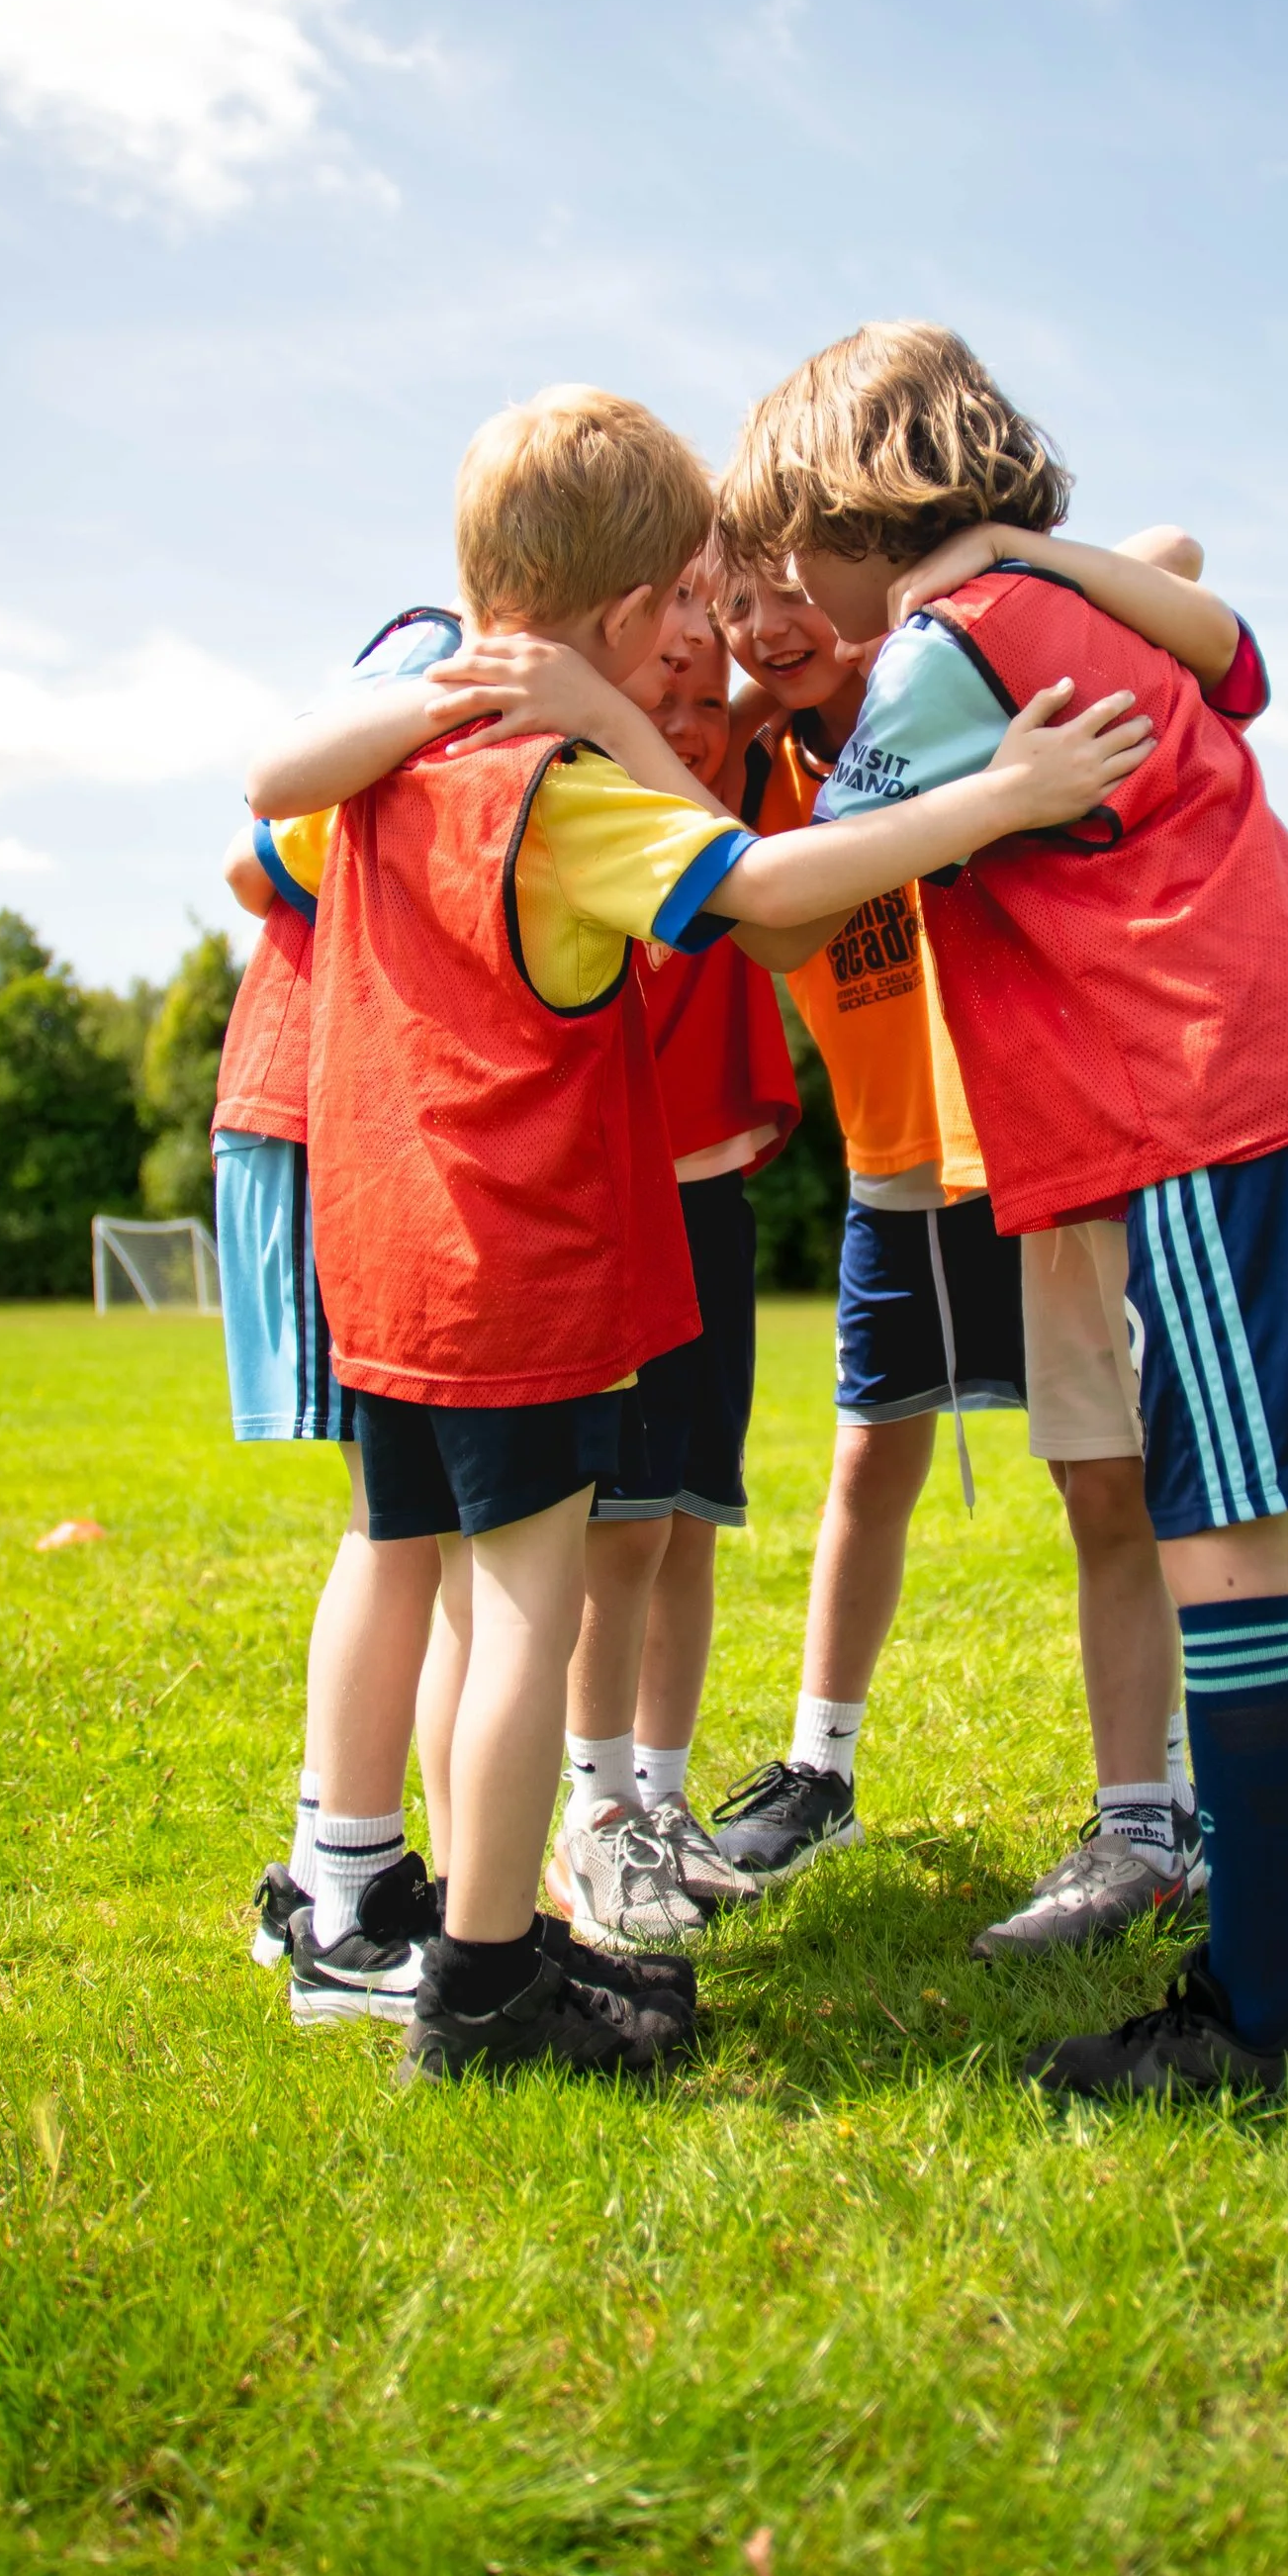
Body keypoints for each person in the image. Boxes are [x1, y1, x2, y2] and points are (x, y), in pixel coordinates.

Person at [251, 384, 1152, 2087]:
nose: (704, 627)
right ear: (613, 615)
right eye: (682, 596)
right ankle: (493, 1984)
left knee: (415, 1580)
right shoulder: (556, 788)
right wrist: (996, 793)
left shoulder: (384, 764)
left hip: (376, 1265)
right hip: (513, 1270)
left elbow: (270, 828)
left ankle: (401, 1901)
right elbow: (762, 885)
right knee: (525, 1609)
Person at [718, 324, 1288, 2101]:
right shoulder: (1082, 604)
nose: (797, 596)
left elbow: (774, 917)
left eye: (795, 550)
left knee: (1218, 1530)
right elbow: (1244, 644)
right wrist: (1045, 556)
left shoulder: (933, 653)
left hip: (1197, 1102)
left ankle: (1261, 2003)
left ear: (849, 509)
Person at [702, 546, 1215, 1956]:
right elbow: (746, 902)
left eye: (788, 586)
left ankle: (1158, 1795)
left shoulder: (950, 678)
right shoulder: (761, 763)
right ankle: (821, 1764)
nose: (760, 627)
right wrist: (758, 690)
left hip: (1036, 1147)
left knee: (1107, 1476)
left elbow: (1171, 553)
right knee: (872, 1458)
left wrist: (938, 589)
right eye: (731, 602)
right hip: (894, 1171)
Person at [545, 590, 803, 1948]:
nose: (699, 726)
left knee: (693, 1515)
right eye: (668, 698)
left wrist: (712, 678)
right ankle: (592, 1814)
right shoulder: (600, 816)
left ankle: (659, 1797)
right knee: (624, 1526)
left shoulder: (725, 784)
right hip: (621, 1205)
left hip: (717, 1208)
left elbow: (752, 688)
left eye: (717, 702)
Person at [213, 608, 461, 2013]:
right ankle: (343, 1904)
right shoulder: (443, 662)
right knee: (399, 1515)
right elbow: (257, 847)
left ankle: (334, 1870)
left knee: (404, 1515)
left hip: (335, 1118)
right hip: (315, 1114)